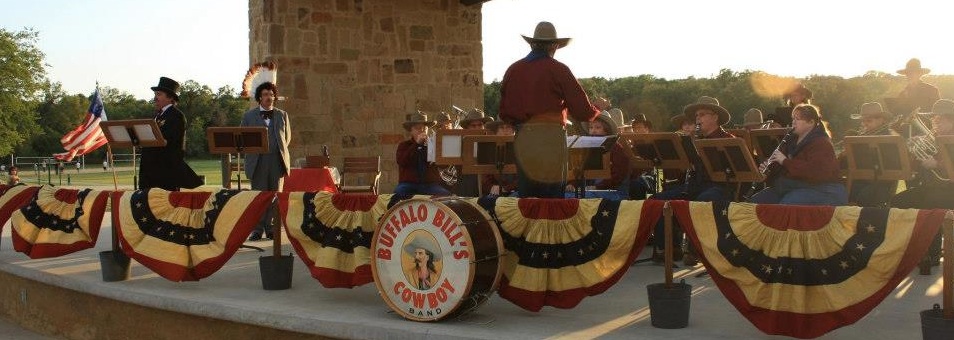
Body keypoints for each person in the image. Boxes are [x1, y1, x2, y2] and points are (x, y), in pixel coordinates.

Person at [499, 21, 600, 198]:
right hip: (550, 138)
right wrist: (598, 109)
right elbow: (583, 111)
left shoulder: (513, 70)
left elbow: (504, 112)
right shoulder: (559, 70)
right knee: (551, 200)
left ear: (532, 44)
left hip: (524, 138)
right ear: (554, 45)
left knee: (528, 199)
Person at [650, 96, 737, 264]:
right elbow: (679, 172)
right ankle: (670, 249)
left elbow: (738, 173)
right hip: (695, 186)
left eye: (702, 115)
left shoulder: (728, 140)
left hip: (720, 188)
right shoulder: (691, 140)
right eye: (696, 116)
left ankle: (695, 250)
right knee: (657, 200)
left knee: (700, 201)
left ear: (715, 117)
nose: (698, 119)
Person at [890, 99, 954, 274]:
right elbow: (917, 169)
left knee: (930, 203)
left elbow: (941, 167)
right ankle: (910, 251)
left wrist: (937, 163)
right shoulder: (935, 139)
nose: (935, 123)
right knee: (898, 201)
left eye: (940, 119)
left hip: (949, 190)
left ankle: (930, 254)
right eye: (934, 119)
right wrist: (913, 151)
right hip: (933, 188)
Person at [748, 104, 847, 205]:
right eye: (793, 119)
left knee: (788, 203)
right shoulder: (790, 140)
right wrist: (768, 170)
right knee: (755, 202)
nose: (793, 122)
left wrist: (784, 161)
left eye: (797, 119)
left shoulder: (821, 143)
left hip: (824, 190)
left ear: (811, 122)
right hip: (796, 186)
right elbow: (782, 169)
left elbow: (814, 172)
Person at [241, 81, 292, 241]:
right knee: (259, 196)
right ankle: (257, 230)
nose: (268, 97)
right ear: (259, 98)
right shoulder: (248, 116)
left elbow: (287, 138)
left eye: (271, 94)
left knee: (274, 196)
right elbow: (243, 139)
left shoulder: (282, 115)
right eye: (265, 94)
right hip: (257, 161)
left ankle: (271, 228)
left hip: (276, 160)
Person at [139, 77, 202, 191]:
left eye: (159, 94)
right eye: (155, 94)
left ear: (170, 97)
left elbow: (170, 142)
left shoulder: (176, 116)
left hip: (165, 171)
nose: (155, 98)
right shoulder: (157, 116)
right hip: (151, 170)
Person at [565, 112, 631, 200]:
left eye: (598, 127)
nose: (593, 130)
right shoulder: (587, 146)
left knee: (576, 198)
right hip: (591, 190)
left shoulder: (615, 147)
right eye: (591, 127)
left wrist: (598, 187)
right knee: (564, 195)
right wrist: (572, 184)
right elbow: (580, 170)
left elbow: (619, 173)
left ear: (606, 130)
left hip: (614, 192)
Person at [843, 102, 898, 207]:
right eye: (862, 121)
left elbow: (891, 168)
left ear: (881, 120)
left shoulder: (890, 138)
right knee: (840, 189)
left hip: (881, 184)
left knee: (862, 196)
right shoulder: (860, 137)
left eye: (868, 121)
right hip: (860, 180)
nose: (864, 124)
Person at [395, 111, 452, 196]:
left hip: (429, 185)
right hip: (409, 184)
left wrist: (440, 148)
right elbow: (402, 161)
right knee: (399, 193)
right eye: (418, 128)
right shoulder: (404, 145)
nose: (422, 130)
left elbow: (443, 166)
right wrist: (417, 144)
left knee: (445, 194)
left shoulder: (433, 144)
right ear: (411, 131)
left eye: (424, 128)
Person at [454, 108, 493, 197]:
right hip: (468, 184)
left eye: (480, 125)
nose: (477, 128)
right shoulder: (460, 143)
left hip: (489, 184)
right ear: (467, 128)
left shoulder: (491, 141)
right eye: (473, 126)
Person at [482, 120, 518, 197]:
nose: (505, 131)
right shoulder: (489, 150)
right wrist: (491, 187)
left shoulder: (521, 149)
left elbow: (522, 179)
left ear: (513, 131)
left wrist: (506, 188)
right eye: (501, 128)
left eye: (508, 127)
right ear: (496, 132)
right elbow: (485, 177)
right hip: (494, 192)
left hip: (516, 192)